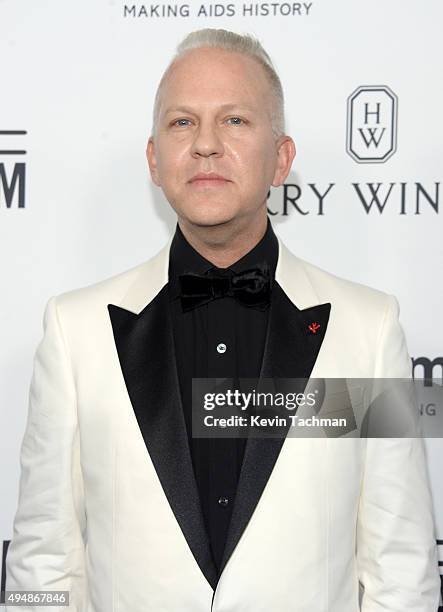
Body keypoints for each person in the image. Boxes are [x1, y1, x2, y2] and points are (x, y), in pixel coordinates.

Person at [5, 28, 440, 612]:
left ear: (281, 158)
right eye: (182, 122)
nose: (205, 144)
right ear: (155, 159)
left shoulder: (369, 329)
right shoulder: (74, 330)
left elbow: (401, 567)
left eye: (235, 121)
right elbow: (42, 562)